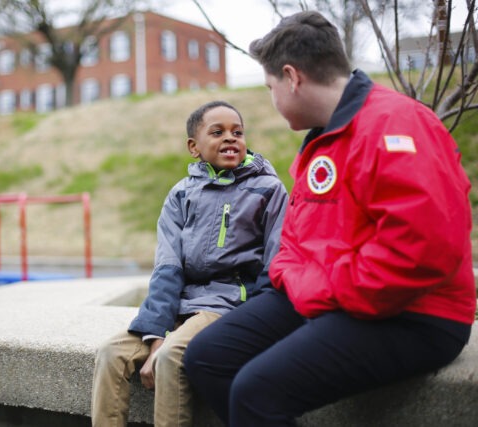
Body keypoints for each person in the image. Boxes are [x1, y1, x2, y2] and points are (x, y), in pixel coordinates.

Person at [184, 11, 476, 427]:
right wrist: (299, 282)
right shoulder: (325, 136)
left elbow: (420, 254)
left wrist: (318, 289)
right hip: (332, 295)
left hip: (415, 314)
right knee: (207, 358)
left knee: (257, 392)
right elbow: (296, 242)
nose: (272, 97)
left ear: (292, 77)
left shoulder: (398, 126)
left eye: (270, 87)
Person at [91, 100, 288, 427]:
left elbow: (277, 259)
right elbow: (167, 268)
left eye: (237, 132)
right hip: (183, 302)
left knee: (171, 357)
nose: (230, 138)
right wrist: (156, 335)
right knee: (111, 353)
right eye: (218, 132)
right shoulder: (181, 194)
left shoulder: (267, 188)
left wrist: (257, 322)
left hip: (227, 302)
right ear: (193, 147)